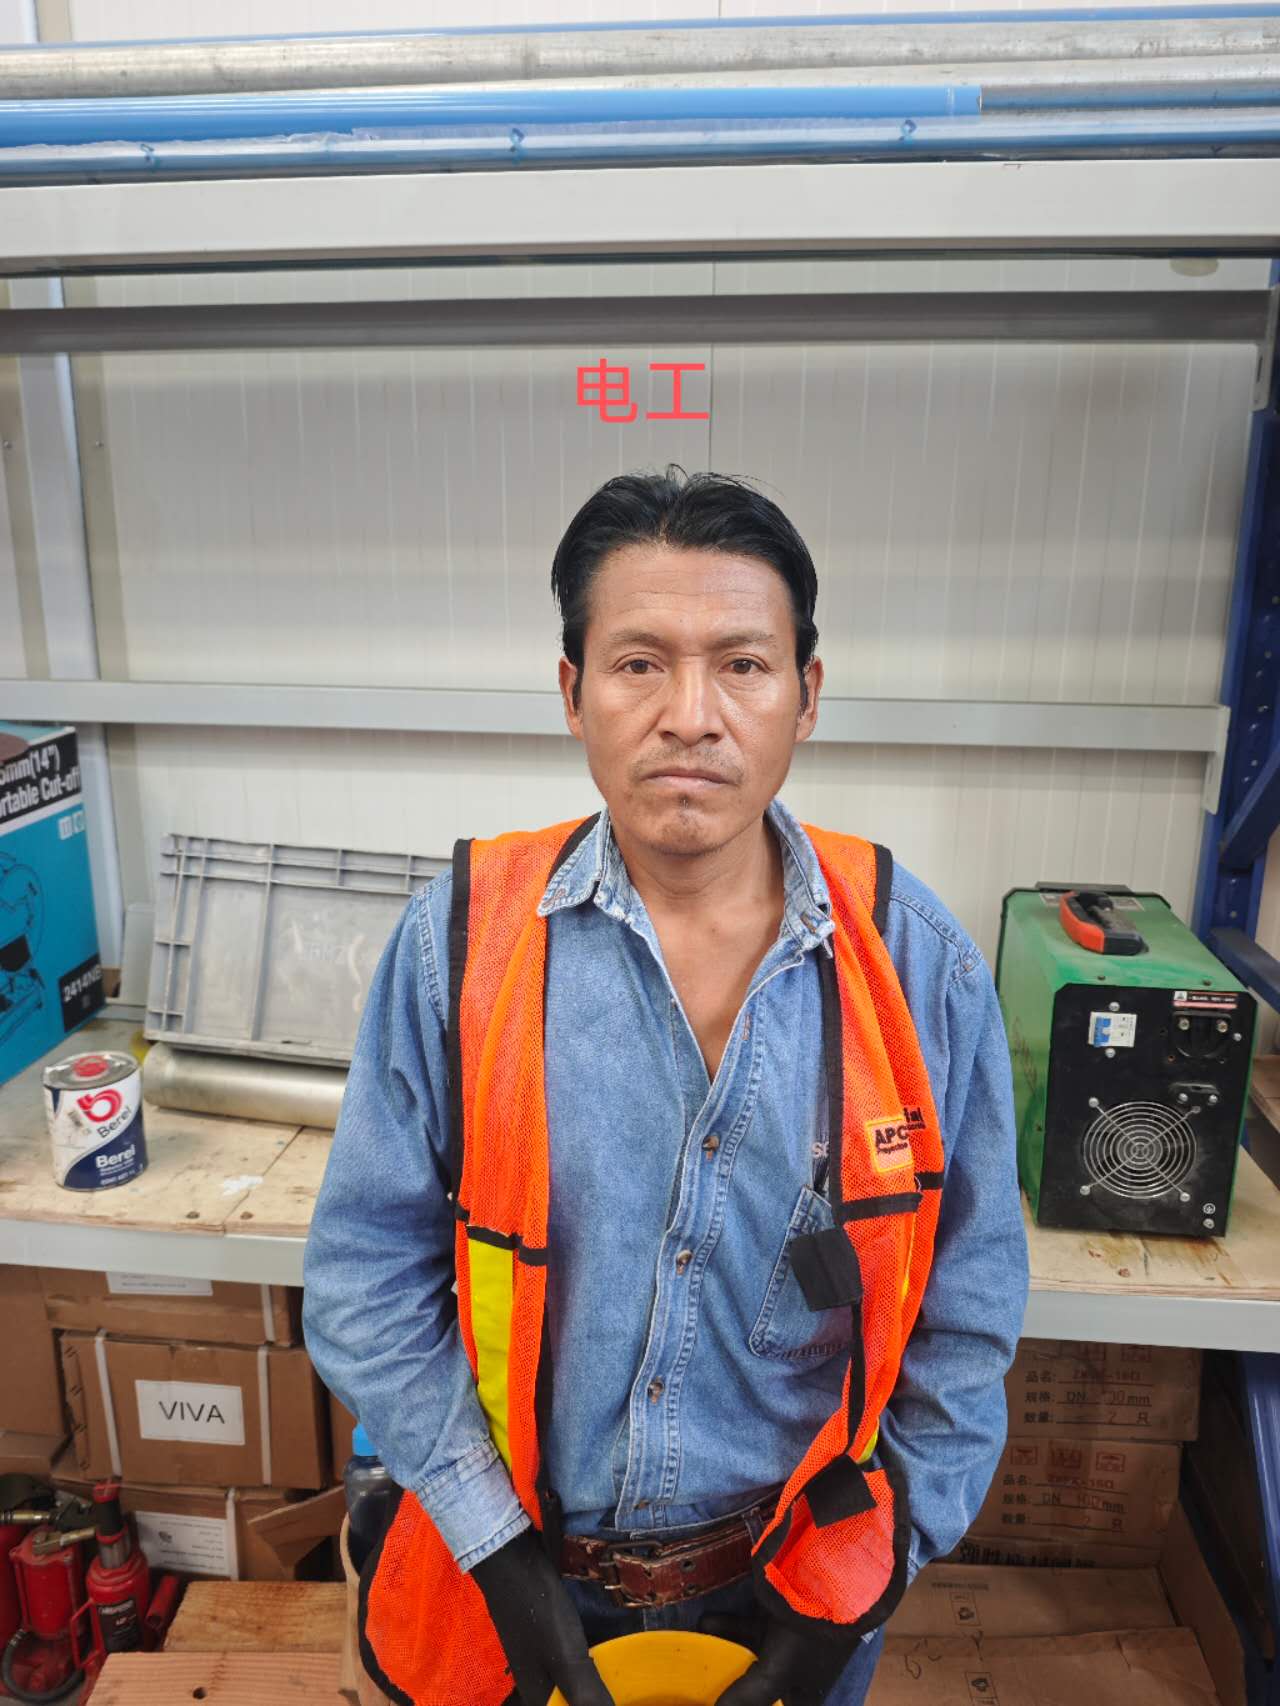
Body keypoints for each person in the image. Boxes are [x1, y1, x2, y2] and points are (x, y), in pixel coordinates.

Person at [303, 467, 1029, 1706]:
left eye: (741, 664)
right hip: (513, 1581)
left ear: (805, 696)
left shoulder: (914, 967)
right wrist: (496, 1547)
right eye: (638, 662)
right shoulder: (460, 946)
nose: (690, 715)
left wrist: (858, 1582)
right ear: (571, 692)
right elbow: (365, 1275)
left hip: (795, 1579)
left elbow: (965, 1318)